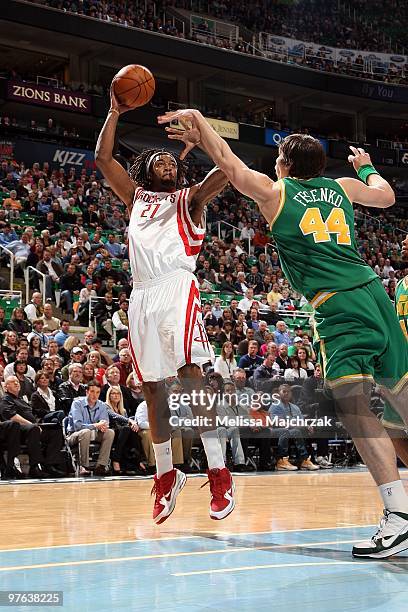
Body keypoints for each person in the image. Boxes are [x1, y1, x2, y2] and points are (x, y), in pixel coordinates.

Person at [161, 108, 408, 558]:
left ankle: (398, 516)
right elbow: (387, 196)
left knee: (355, 409)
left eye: (278, 157)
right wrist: (366, 166)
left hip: (339, 306)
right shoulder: (343, 189)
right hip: (377, 295)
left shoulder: (276, 194)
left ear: (286, 165)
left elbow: (231, 166)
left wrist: (201, 123)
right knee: (401, 410)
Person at [95, 91, 234, 525]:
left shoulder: (190, 199)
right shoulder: (135, 197)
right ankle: (165, 475)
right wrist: (115, 111)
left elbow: (228, 170)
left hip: (176, 287)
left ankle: (219, 472)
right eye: (158, 161)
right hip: (142, 295)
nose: (167, 163)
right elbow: (103, 157)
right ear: (145, 170)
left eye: (172, 161)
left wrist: (205, 135)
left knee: (190, 377)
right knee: (152, 388)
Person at [0, 376, 65, 478]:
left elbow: (34, 415)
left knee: (55, 429)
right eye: (13, 382)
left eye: (17, 381)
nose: (16, 383)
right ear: (6, 387)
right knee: (33, 429)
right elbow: (12, 417)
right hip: (18, 432)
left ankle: (49, 465)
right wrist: (31, 424)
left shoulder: (21, 400)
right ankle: (34, 467)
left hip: (33, 427)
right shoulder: (6, 399)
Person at [67, 380, 115, 476]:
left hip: (94, 433)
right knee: (86, 432)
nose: (95, 395)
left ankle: (101, 466)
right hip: (74, 434)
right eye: (92, 391)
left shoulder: (101, 405)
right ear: (87, 392)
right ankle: (83, 466)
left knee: (110, 432)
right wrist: (96, 425)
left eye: (97, 392)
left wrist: (104, 426)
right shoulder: (77, 403)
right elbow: (78, 426)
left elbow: (105, 422)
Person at [105, 385, 146, 475]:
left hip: (124, 434)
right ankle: (116, 460)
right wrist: (129, 420)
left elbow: (126, 423)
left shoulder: (123, 410)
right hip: (111, 432)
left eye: (118, 394)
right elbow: (114, 416)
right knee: (127, 429)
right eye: (113, 393)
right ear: (109, 395)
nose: (116, 395)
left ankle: (137, 460)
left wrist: (133, 422)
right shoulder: (105, 406)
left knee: (133, 431)